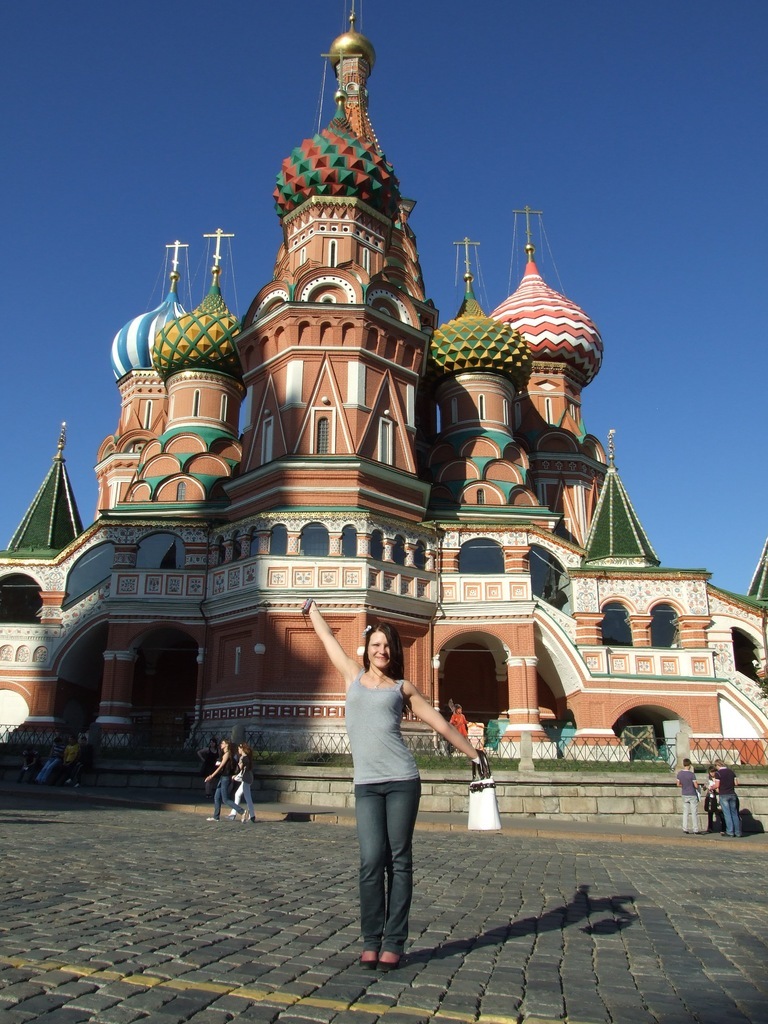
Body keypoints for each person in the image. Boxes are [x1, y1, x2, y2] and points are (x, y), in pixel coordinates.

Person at [303, 598, 488, 971]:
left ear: (394, 651)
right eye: (376, 644)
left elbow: (440, 723)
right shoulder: (352, 675)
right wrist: (313, 611)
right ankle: (371, 940)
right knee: (371, 860)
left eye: (387, 646)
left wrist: (474, 754)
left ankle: (393, 942)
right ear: (367, 648)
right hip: (367, 784)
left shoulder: (403, 688)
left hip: (403, 780)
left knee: (399, 861)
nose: (381, 650)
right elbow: (327, 640)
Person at [204, 739, 239, 821]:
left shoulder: (227, 754)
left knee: (225, 799)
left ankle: (242, 811)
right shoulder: (224, 753)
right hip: (223, 777)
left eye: (223, 743)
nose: (221, 744)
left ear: (227, 745)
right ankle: (216, 817)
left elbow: (221, 766)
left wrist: (211, 776)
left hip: (226, 777)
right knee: (217, 797)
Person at [713, 759, 741, 837]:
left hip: (724, 794)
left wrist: (711, 787)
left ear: (717, 765)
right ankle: (738, 832)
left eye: (716, 766)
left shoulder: (718, 773)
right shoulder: (731, 771)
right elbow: (736, 783)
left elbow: (717, 785)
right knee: (734, 813)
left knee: (727, 814)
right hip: (732, 794)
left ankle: (730, 832)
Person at [232, 741, 257, 823]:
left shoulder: (243, 758)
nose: (238, 750)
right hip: (248, 777)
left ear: (242, 749)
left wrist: (236, 777)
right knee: (237, 794)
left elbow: (242, 770)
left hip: (246, 778)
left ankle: (252, 815)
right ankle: (233, 813)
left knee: (247, 797)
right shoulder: (246, 757)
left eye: (239, 749)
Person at [675, 757, 700, 834]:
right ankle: (695, 829)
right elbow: (696, 786)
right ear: (689, 765)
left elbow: (678, 784)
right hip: (692, 794)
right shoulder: (692, 774)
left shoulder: (679, 774)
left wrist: (684, 785)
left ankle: (685, 828)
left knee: (685, 812)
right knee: (694, 812)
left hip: (684, 793)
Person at [703, 765, 722, 833]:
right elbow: (704, 787)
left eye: (713, 772)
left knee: (720, 812)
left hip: (717, 796)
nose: (712, 774)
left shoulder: (718, 778)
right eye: (711, 772)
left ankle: (723, 828)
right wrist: (706, 786)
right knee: (710, 812)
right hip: (710, 796)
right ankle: (710, 827)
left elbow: (718, 788)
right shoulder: (708, 778)